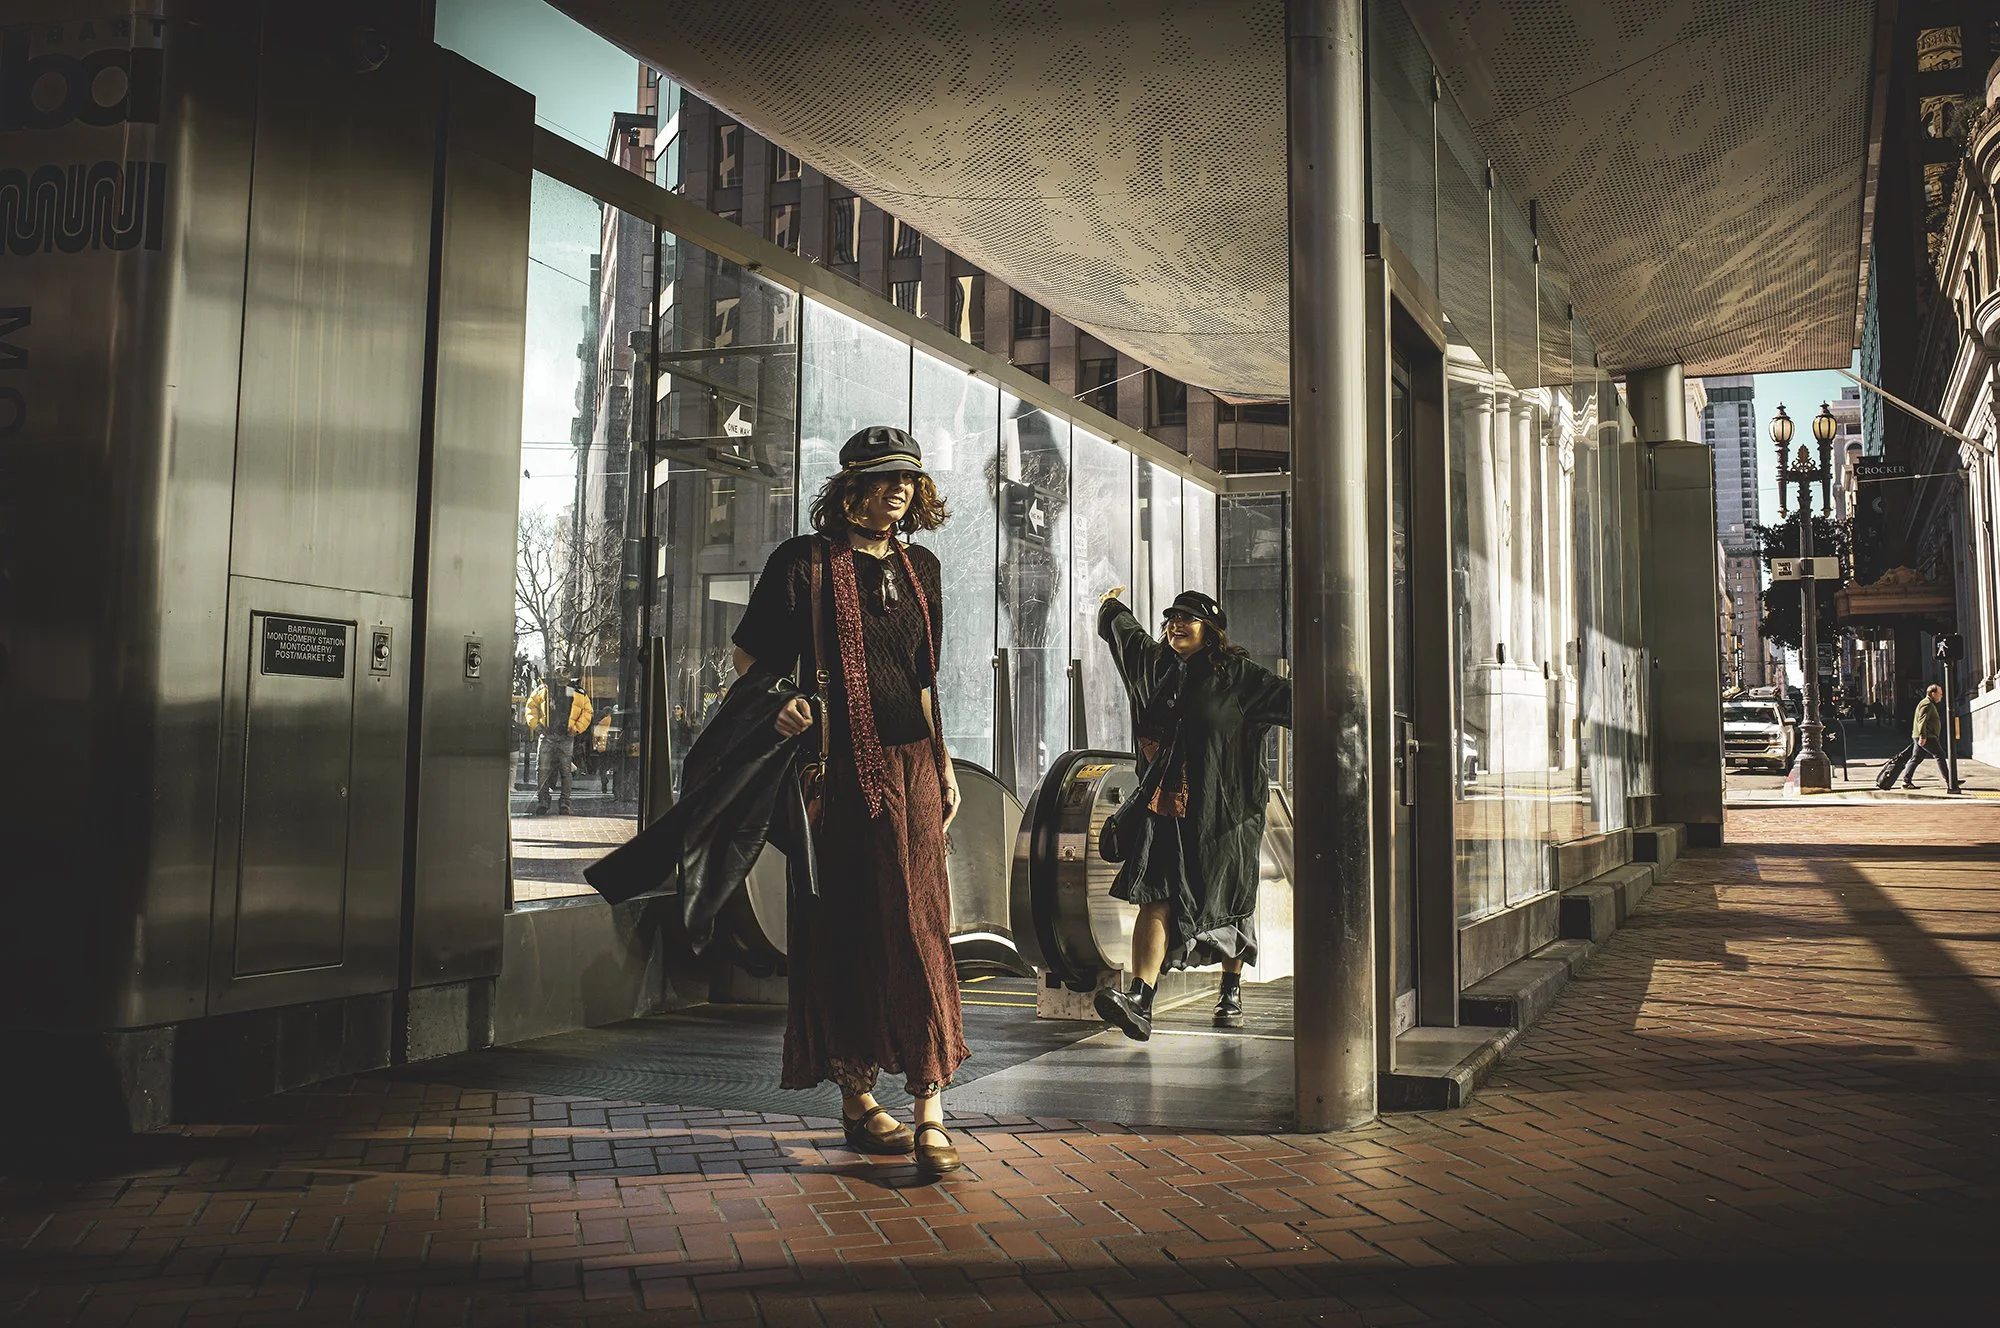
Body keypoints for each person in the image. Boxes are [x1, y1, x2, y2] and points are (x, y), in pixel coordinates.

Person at [730, 425, 969, 1177]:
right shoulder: (801, 563)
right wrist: (784, 702)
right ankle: (858, 1099)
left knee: (924, 923)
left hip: (915, 766)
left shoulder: (921, 566)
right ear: (851, 487)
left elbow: (923, 680)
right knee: (850, 928)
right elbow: (749, 657)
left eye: (909, 478)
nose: (900, 488)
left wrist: (944, 759)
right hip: (837, 771)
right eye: (885, 477)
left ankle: (932, 1103)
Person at [1092, 587, 1292, 1040]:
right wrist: (1109, 606)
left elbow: (1298, 702)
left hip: (1224, 818)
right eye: (1170, 618)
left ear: (1212, 630)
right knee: (1157, 894)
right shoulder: (1155, 666)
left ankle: (1231, 983)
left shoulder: (1240, 678)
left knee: (1227, 899)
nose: (1175, 625)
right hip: (1165, 811)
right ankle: (1141, 999)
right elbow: (1124, 633)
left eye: (1188, 618)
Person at [527, 668, 592, 814]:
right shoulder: (543, 689)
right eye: (559, 677)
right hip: (549, 735)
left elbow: (587, 712)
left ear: (569, 678)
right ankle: (545, 802)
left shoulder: (578, 692)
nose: (562, 680)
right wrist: (536, 725)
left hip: (564, 736)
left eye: (565, 677)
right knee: (545, 771)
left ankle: (563, 803)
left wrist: (576, 728)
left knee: (563, 771)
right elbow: (531, 707)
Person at [1903, 683, 1959, 792]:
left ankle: (1906, 781)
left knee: (1916, 758)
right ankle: (1950, 781)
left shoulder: (1928, 703)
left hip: (1922, 735)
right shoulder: (1927, 704)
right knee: (1940, 755)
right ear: (1933, 694)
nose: (1941, 696)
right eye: (1940, 694)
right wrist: (1923, 736)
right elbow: (1922, 721)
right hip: (1927, 736)